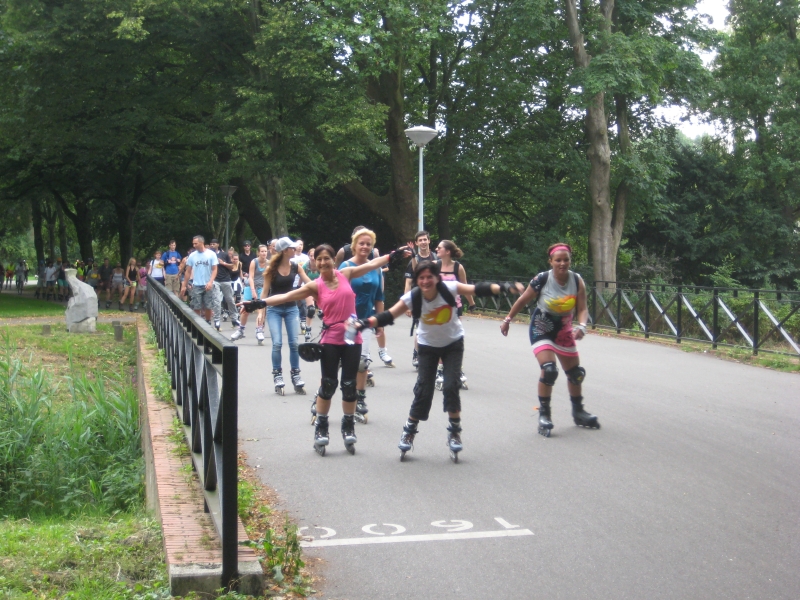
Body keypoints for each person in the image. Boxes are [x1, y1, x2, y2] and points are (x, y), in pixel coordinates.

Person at [248, 243, 410, 455]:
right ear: (315, 263)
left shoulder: (346, 273)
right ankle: (321, 427)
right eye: (319, 259)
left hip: (352, 338)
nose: (323, 262)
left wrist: (393, 255)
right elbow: (286, 296)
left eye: (327, 258)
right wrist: (259, 303)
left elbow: (371, 265)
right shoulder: (315, 286)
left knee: (349, 385)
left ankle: (348, 426)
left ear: (334, 260)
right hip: (331, 339)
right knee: (328, 384)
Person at [354, 260, 521, 461]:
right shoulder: (413, 296)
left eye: (429, 277)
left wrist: (505, 287)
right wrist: (365, 322)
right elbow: (389, 315)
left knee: (451, 386)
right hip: (427, 346)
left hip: (453, 343)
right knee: (424, 389)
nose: (425, 281)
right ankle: (409, 429)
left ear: (437, 278)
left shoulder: (449, 288)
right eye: (421, 278)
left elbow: (478, 289)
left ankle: (454, 431)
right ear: (417, 280)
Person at [500, 243, 599, 437]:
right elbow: (523, 299)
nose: (562, 263)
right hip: (542, 327)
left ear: (570, 261)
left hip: (564, 329)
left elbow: (582, 308)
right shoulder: (542, 279)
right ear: (551, 261)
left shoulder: (577, 280)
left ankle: (578, 411)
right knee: (549, 370)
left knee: (576, 374)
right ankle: (544, 414)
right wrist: (507, 320)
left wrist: (582, 325)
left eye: (566, 260)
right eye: (558, 260)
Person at [339, 228, 385, 423]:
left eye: (369, 244)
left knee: (362, 361)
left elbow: (379, 297)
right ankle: (321, 395)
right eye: (362, 243)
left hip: (366, 320)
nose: (365, 247)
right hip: (345, 321)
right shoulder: (346, 266)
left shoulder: (376, 268)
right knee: (337, 362)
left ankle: (359, 398)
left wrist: (380, 322)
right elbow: (336, 292)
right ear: (354, 246)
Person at [260, 237, 313, 395]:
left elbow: (310, 283)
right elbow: (265, 292)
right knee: (277, 343)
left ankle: (296, 374)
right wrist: (260, 312)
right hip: (274, 309)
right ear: (284, 251)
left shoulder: (296, 266)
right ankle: (277, 375)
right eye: (292, 248)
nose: (295, 249)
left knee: (294, 343)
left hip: (291, 308)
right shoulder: (271, 269)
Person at [434, 240, 476, 389]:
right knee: (441, 339)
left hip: (454, 308)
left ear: (447, 251)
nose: (436, 249)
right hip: (438, 308)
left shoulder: (458, 267)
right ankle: (440, 370)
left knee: (455, 338)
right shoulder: (435, 266)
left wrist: (471, 303)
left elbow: (465, 287)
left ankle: (456, 369)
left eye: (439, 248)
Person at [404, 231, 435, 368]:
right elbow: (408, 283)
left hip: (434, 298)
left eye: (425, 239)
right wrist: (408, 305)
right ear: (416, 243)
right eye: (420, 240)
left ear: (429, 241)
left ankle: (434, 356)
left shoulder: (436, 257)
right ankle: (417, 353)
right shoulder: (413, 260)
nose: (423, 242)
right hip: (419, 299)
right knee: (421, 328)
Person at [232, 244, 268, 343]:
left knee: (261, 310)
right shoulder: (254, 262)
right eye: (262, 251)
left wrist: (266, 290)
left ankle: (259, 330)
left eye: (265, 251)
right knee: (246, 309)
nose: (264, 253)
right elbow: (251, 277)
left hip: (262, 287)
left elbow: (268, 278)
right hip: (250, 286)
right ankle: (240, 330)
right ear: (258, 252)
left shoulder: (268, 263)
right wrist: (253, 291)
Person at [181, 236, 220, 323]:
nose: (194, 245)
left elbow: (214, 269)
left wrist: (210, 282)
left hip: (208, 284)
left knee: (208, 306)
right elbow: (188, 271)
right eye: (193, 244)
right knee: (196, 306)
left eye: (196, 243)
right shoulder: (192, 255)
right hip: (196, 285)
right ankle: (198, 324)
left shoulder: (211, 254)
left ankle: (208, 322)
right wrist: (184, 285)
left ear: (201, 243)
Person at [209, 238, 240, 329]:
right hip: (215, 280)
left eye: (214, 244)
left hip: (226, 280)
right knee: (217, 301)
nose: (212, 245)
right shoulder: (208, 255)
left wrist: (223, 263)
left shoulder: (224, 254)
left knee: (230, 299)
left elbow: (232, 266)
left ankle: (234, 318)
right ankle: (217, 320)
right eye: (211, 244)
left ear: (218, 244)